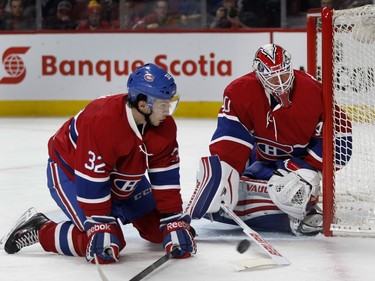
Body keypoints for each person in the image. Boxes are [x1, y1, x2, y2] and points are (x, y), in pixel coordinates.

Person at [2, 63, 197, 264]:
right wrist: (99, 224)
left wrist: (173, 219)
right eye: (163, 105)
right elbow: (91, 178)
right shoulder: (103, 121)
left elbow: (165, 175)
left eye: (169, 103)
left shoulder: (164, 127)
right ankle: (41, 228)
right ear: (142, 104)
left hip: (122, 175)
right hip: (72, 173)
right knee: (108, 243)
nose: (168, 111)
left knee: (158, 231)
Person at [186, 44, 352, 236]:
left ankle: (295, 204)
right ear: (259, 75)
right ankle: (277, 209)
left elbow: (341, 135)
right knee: (220, 179)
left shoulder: (313, 90)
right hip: (261, 158)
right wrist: (226, 173)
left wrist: (310, 171)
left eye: (283, 74)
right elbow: (231, 137)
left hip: (297, 162)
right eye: (273, 77)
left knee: (296, 185)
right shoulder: (240, 91)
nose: (280, 83)